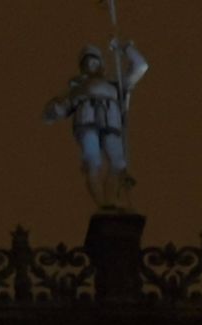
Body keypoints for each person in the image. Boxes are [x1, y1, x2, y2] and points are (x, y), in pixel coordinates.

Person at [43, 40, 147, 211]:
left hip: (111, 124)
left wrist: (124, 47)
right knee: (92, 162)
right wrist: (54, 110)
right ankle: (102, 203)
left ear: (100, 63)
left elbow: (141, 66)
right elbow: (58, 110)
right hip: (86, 124)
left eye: (95, 60)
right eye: (87, 61)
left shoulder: (115, 85)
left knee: (118, 162)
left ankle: (111, 199)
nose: (91, 63)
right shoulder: (77, 89)